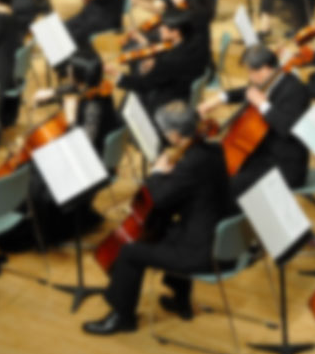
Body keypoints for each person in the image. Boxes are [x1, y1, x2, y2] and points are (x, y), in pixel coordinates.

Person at [83, 101, 234, 335]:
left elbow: (159, 199)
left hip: (202, 253)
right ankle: (181, 300)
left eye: (164, 132)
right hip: (220, 242)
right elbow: (186, 194)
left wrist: (156, 174)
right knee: (162, 227)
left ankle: (122, 317)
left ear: (175, 135)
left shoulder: (190, 164)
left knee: (130, 252)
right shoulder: (213, 151)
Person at [11, 52, 119, 247]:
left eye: (71, 68)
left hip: (88, 164)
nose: (67, 70)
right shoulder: (99, 87)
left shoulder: (93, 107)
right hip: (91, 154)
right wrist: (53, 92)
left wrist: (70, 119)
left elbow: (82, 145)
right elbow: (75, 89)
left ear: (79, 77)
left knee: (32, 174)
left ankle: (45, 231)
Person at [200, 44, 312, 198]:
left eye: (251, 72)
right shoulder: (269, 81)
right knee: (215, 168)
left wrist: (263, 104)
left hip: (284, 165)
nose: (250, 77)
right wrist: (217, 99)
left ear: (264, 69)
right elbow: (246, 92)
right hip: (262, 154)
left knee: (230, 187)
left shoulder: (295, 90)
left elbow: (287, 127)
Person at [115, 10, 211, 110]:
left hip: (168, 101)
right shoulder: (192, 44)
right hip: (184, 90)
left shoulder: (169, 61)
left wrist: (118, 76)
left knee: (127, 99)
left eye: (164, 26)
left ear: (176, 32)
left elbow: (143, 85)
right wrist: (149, 49)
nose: (160, 29)